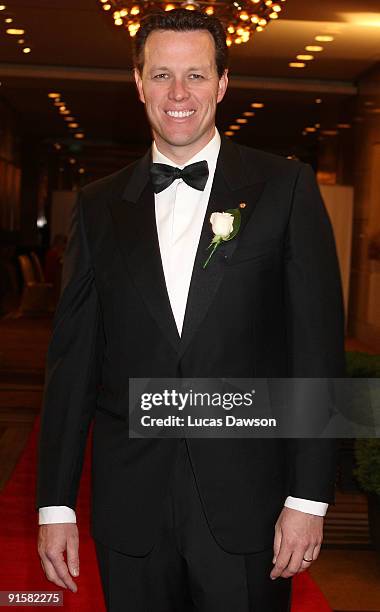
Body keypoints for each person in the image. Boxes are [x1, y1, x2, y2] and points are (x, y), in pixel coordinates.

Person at [36, 9, 345, 611]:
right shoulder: (98, 206)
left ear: (222, 85)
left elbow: (317, 349)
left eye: (196, 76)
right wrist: (56, 503)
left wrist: (308, 499)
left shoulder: (285, 189)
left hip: (249, 503)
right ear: (138, 82)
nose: (179, 94)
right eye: (161, 75)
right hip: (130, 506)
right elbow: (71, 364)